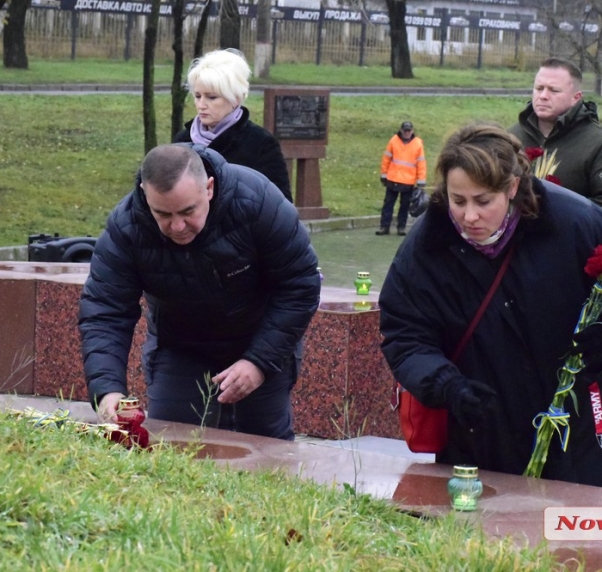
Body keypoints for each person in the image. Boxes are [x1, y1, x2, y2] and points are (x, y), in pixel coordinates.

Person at [378, 123, 602, 491]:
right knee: (487, 536)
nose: (469, 216)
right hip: (482, 419)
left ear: (511, 188)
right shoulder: (429, 243)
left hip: (580, 415)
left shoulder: (569, 218)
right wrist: (446, 385)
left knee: (579, 538)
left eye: (483, 201)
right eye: (458, 201)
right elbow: (403, 330)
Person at [79, 144, 320, 440]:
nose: (177, 226)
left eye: (187, 211)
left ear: (208, 188)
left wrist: (258, 363)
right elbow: (105, 310)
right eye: (163, 214)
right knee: (168, 441)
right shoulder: (126, 225)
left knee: (266, 446)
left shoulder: (258, 201)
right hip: (180, 344)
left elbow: (300, 285)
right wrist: (107, 390)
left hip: (261, 336)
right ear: (144, 193)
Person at [508, 57, 602, 220]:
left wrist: (560, 214)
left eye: (554, 90)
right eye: (539, 88)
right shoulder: (510, 139)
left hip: (573, 240)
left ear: (576, 98)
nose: (543, 96)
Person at [172, 49, 292, 202]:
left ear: (235, 98)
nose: (201, 104)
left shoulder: (260, 143)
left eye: (212, 97)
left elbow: (281, 207)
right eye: (197, 96)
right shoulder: (183, 141)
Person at [376, 121, 427, 236]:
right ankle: (384, 227)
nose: (407, 133)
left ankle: (401, 227)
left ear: (412, 131)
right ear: (401, 130)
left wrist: (421, 182)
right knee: (388, 205)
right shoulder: (393, 141)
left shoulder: (418, 144)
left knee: (404, 206)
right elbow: (386, 159)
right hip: (393, 178)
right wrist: (384, 175)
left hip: (408, 181)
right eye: (405, 130)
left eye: (409, 130)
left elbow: (421, 164)